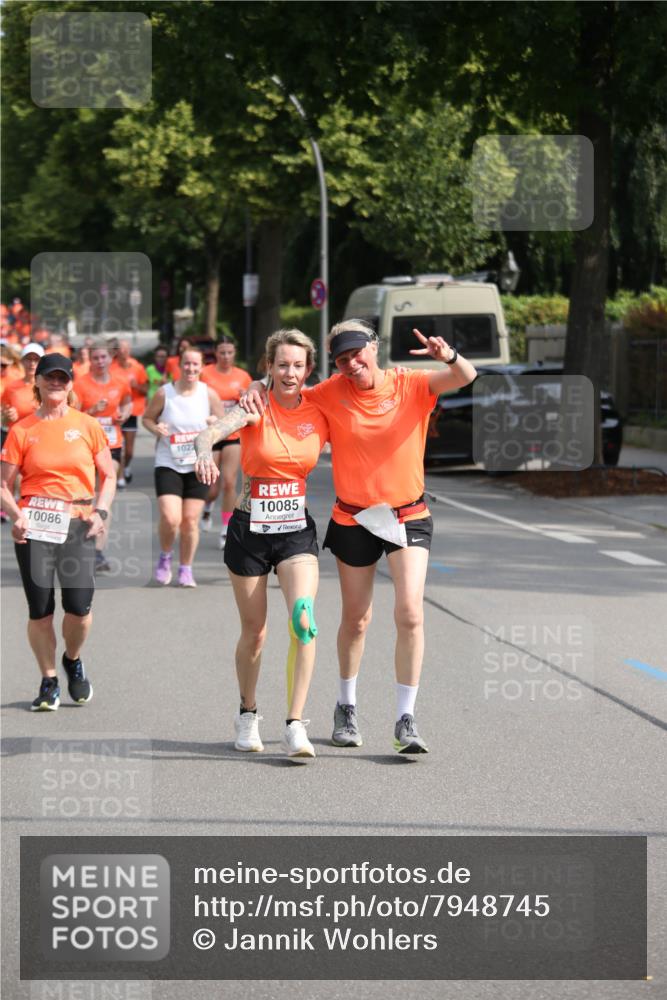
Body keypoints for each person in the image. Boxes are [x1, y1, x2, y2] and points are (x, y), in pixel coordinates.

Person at [242, 319, 477, 754]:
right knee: (356, 619)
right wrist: (258, 384)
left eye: (357, 353)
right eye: (342, 359)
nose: (351, 364)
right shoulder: (330, 392)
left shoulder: (410, 384)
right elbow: (287, 388)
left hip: (407, 514)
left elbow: (465, 376)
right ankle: (345, 706)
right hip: (354, 518)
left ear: (374, 347)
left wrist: (448, 356)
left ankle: (406, 719)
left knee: (410, 614)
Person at [195, 329, 328, 759]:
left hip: (295, 532)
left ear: (309, 369)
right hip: (250, 529)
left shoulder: (319, 409)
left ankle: (295, 724)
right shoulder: (254, 406)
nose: (290, 373)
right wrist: (203, 453)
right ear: (269, 366)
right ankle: (247, 713)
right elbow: (208, 434)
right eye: (282, 364)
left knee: (304, 619)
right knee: (255, 633)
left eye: (298, 365)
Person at [0, 353, 116, 711]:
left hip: (77, 523)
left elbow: (109, 475)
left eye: (62, 378)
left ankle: (72, 659)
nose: (55, 383)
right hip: (34, 525)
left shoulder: (87, 425)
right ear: (36, 381)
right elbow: (3, 485)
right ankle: (48, 680)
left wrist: (101, 512)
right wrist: (16, 516)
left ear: (70, 384)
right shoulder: (22, 430)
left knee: (79, 608)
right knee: (40, 610)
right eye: (48, 377)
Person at [143, 348, 225, 587]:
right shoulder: (164, 393)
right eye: (187, 364)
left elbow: (224, 425)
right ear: (179, 366)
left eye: (195, 364)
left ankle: (186, 568)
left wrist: (214, 423)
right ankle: (165, 556)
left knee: (189, 520)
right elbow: (147, 418)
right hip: (168, 462)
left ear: (202, 367)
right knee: (171, 518)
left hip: (198, 465)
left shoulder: (209, 394)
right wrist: (155, 428)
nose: (191, 368)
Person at [73, 341, 131, 570]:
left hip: (112, 444)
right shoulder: (80, 384)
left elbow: (127, 403)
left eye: (103, 357)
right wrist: (92, 411)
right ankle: (81, 545)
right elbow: (72, 416)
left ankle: (98, 551)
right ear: (90, 359)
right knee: (87, 496)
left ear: (110, 358)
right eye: (95, 358)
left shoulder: (120, 382)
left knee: (104, 496)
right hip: (85, 445)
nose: (99, 362)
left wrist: (124, 414)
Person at [199, 336, 252, 546]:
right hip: (212, 434)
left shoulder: (243, 376)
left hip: (233, 434)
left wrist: (245, 397)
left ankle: (225, 529)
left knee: (229, 482)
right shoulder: (205, 374)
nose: (226, 356)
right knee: (211, 487)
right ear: (216, 353)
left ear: (234, 353)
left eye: (230, 352)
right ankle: (207, 507)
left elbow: (252, 404)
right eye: (222, 352)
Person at [111, 338, 148, 486]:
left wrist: (136, 386)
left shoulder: (137, 367)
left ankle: (125, 467)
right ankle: (120, 477)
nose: (125, 351)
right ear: (117, 351)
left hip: (132, 412)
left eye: (127, 348)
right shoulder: (110, 367)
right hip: (116, 412)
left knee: (129, 451)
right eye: (122, 348)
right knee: (119, 447)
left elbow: (146, 389)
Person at [2, 343, 44, 431]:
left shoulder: (50, 387)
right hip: (17, 436)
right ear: (22, 361)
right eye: (28, 359)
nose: (32, 363)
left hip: (41, 434)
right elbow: (3, 421)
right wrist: (8, 417)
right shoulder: (10, 387)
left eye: (36, 359)